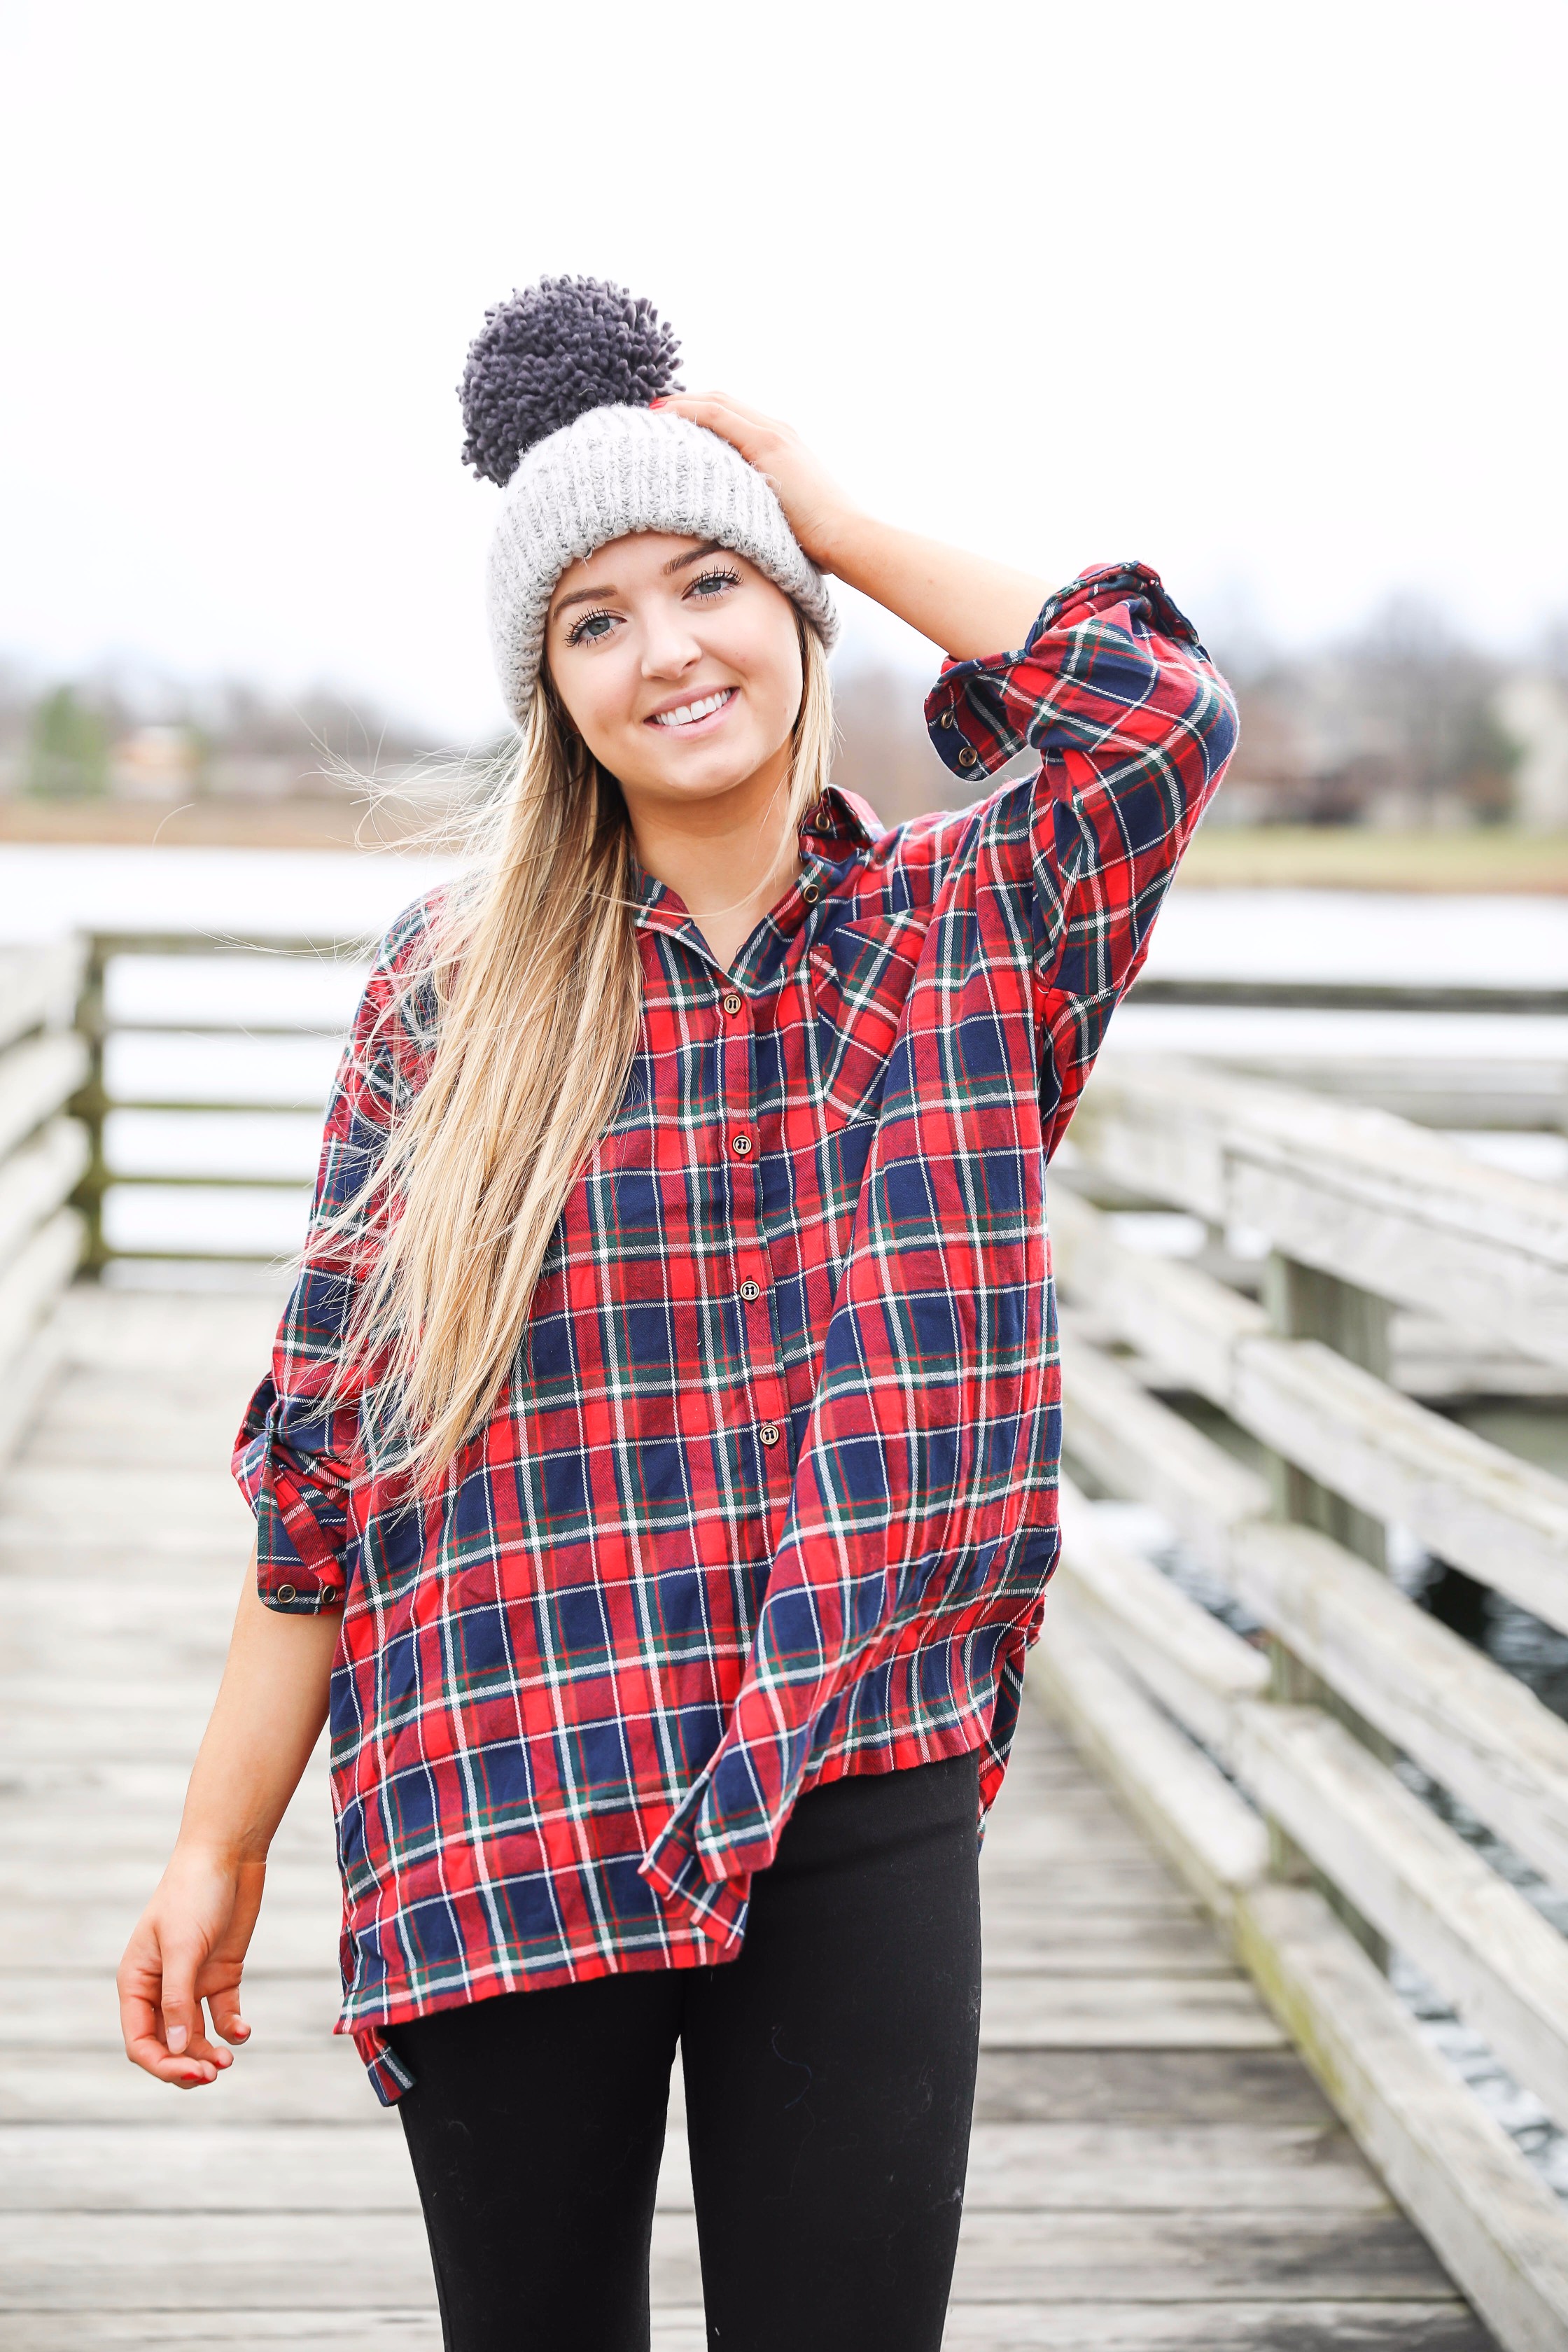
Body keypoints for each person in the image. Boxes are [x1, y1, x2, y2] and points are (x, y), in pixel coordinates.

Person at [118, 276, 1238, 2351]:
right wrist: (215, 1839)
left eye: (710, 580)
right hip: (511, 1760)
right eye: (595, 619)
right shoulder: (447, 997)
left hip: (852, 1762)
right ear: (552, 690)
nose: (667, 650)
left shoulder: (963, 936)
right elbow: (325, 1475)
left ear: (797, 613)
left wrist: (829, 504)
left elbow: (1155, 710)